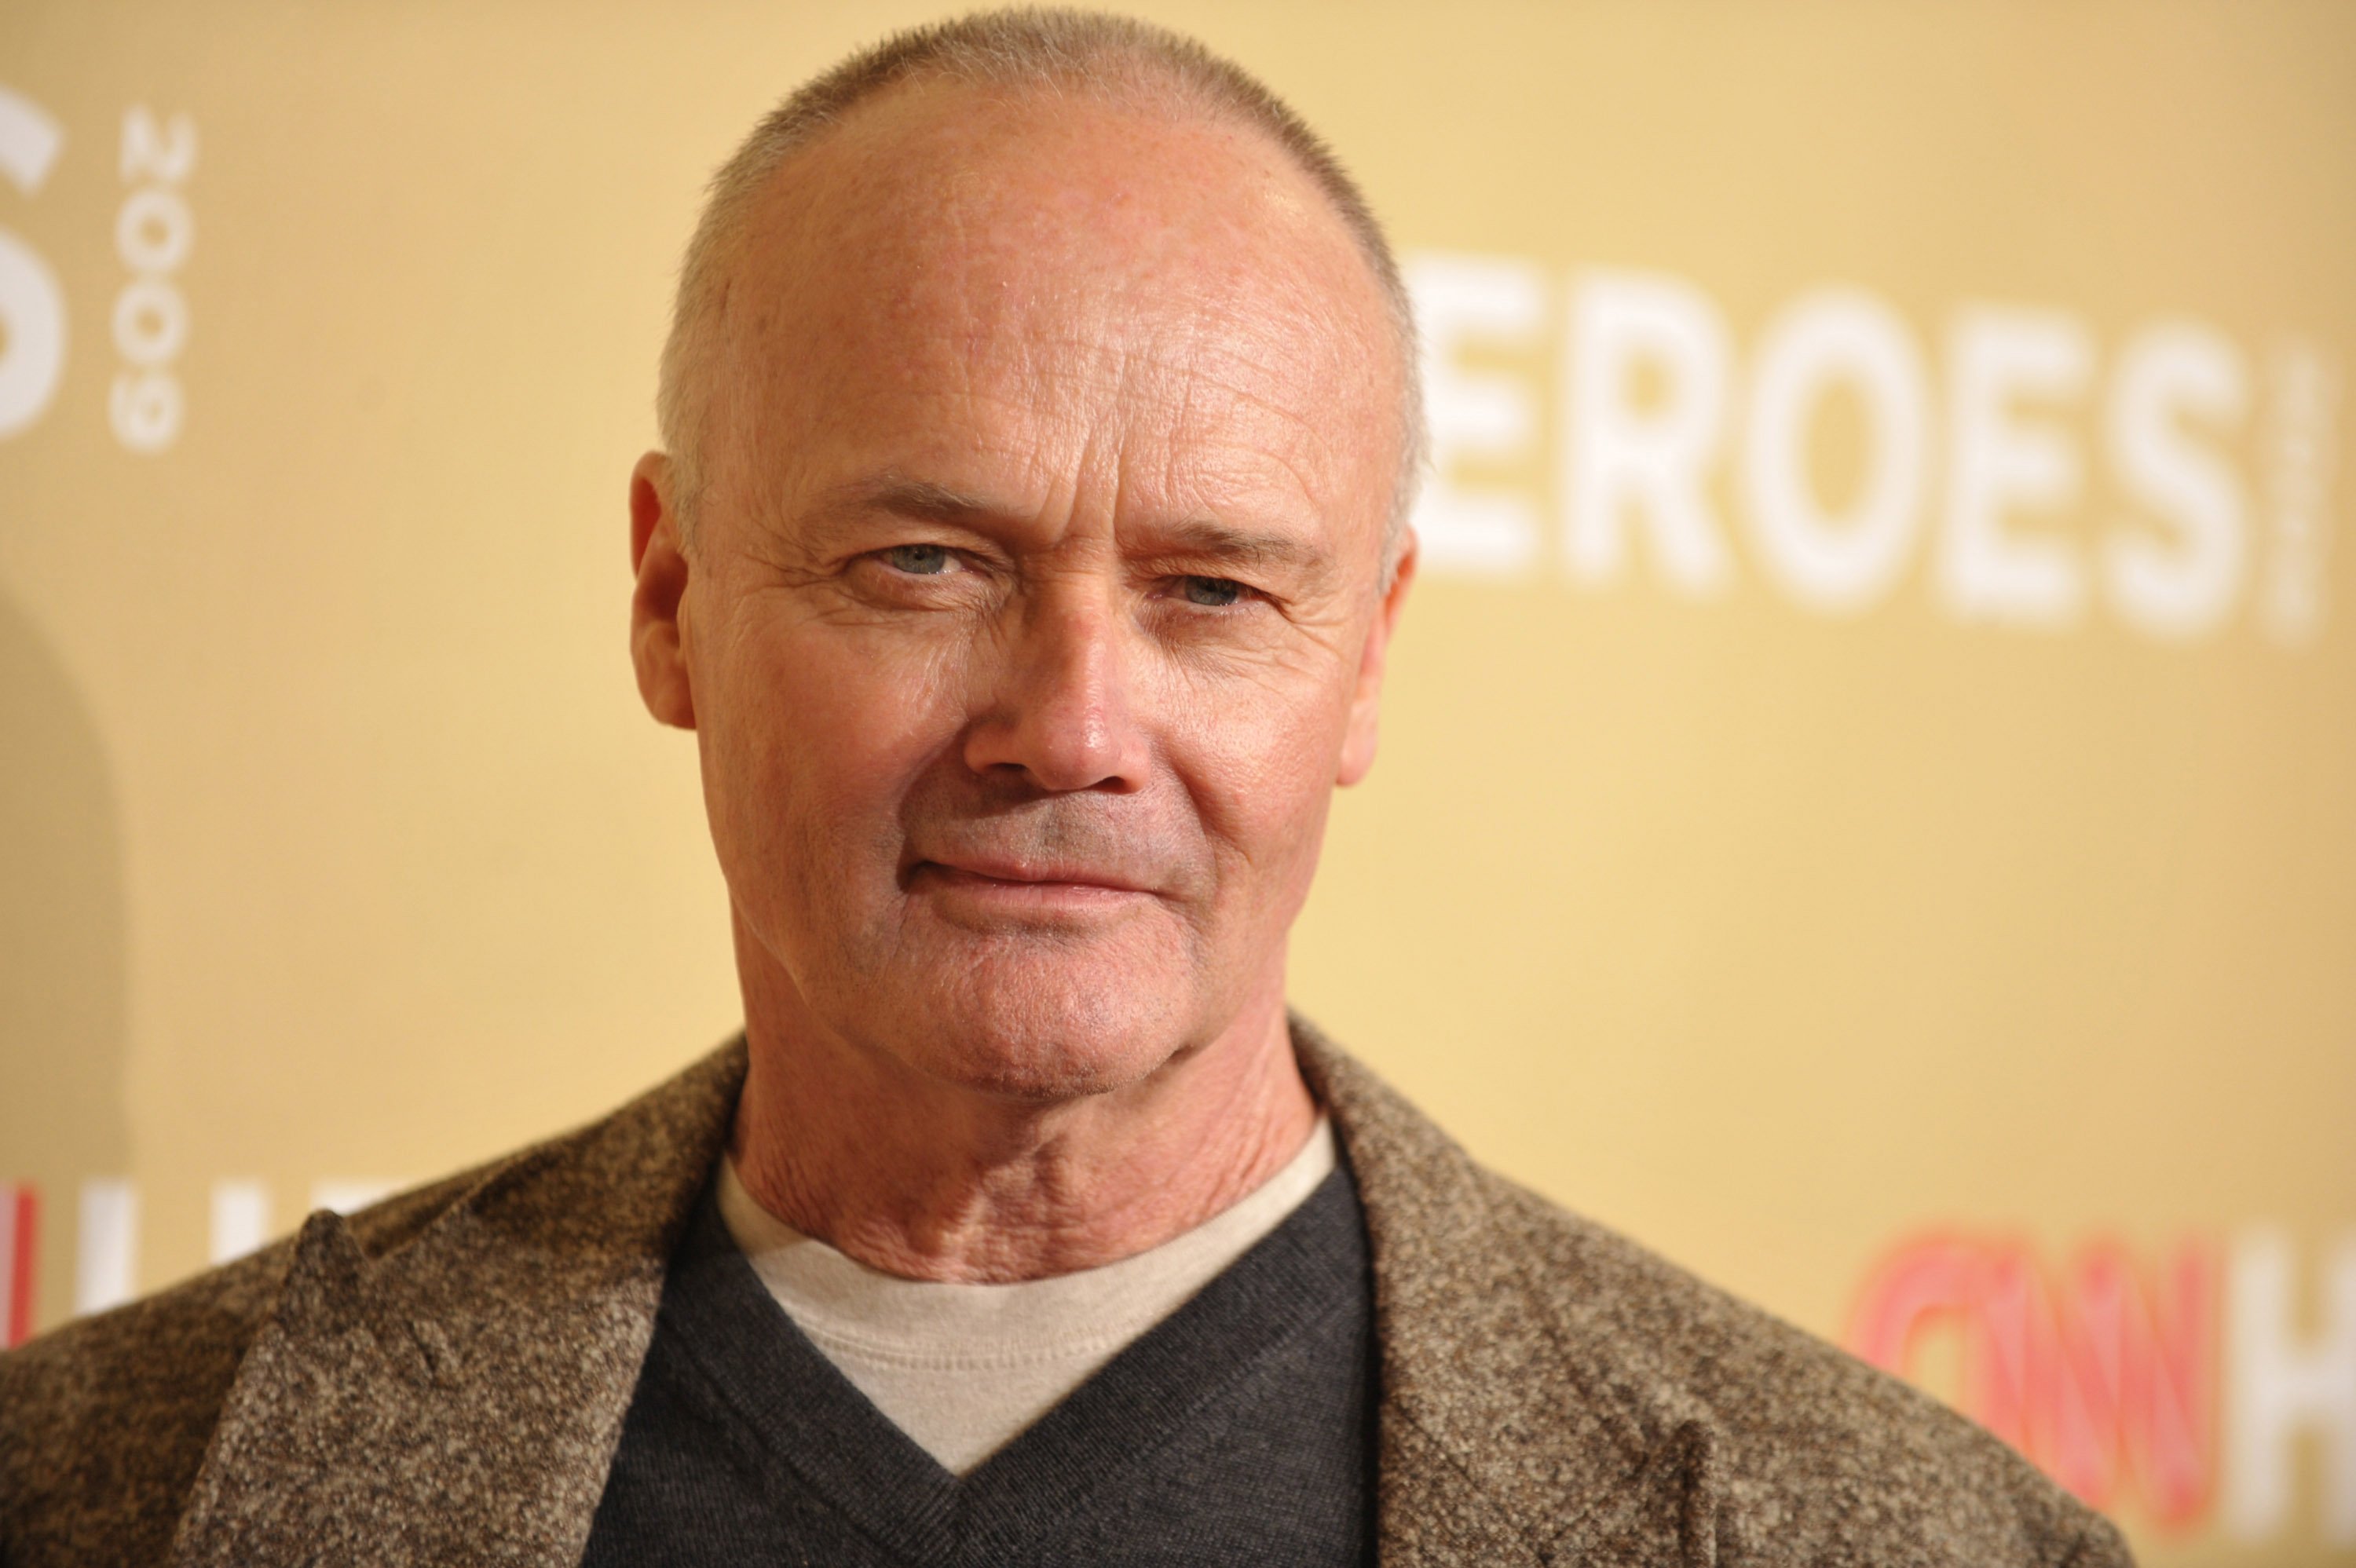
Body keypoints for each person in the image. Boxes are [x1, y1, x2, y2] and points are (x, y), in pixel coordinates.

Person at [0, 11, 2134, 1566]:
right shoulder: (103, 1483)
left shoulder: (1914, 1541)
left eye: (1212, 590)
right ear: (668, 599)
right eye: (927, 561)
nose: (1072, 723)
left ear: (1365, 661)